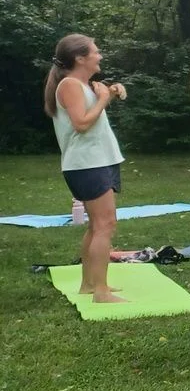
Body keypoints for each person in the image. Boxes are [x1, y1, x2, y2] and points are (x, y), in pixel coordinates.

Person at [44, 34, 129, 304]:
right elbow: (81, 124)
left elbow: (87, 118)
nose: (100, 55)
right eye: (96, 51)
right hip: (86, 164)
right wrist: (104, 98)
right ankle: (101, 292)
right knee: (106, 225)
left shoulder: (81, 85)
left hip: (99, 160)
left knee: (97, 225)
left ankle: (89, 284)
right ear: (80, 58)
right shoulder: (69, 84)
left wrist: (108, 93)